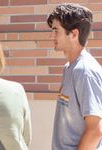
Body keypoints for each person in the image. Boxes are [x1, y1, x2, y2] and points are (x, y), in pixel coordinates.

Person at [47, 3, 102, 150]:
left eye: (55, 30)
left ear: (74, 34)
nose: (51, 36)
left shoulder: (85, 71)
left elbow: (95, 130)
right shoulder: (69, 68)